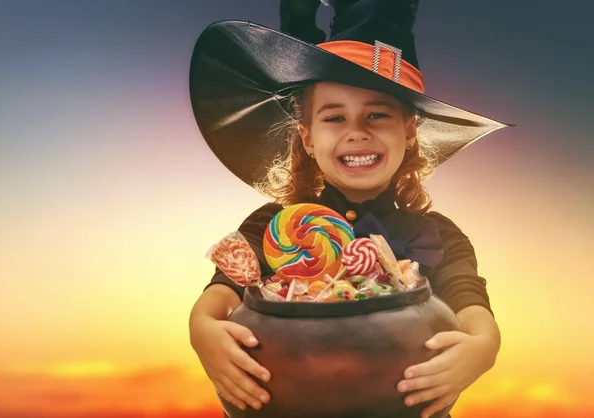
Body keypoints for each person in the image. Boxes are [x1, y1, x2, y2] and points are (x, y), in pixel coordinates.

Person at [188, 1, 508, 417]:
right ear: (306, 137)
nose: (357, 133)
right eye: (334, 118)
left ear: (409, 131)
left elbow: (474, 310)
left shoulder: (439, 235)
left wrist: (483, 349)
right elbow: (216, 300)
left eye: (377, 114)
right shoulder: (274, 227)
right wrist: (202, 332)